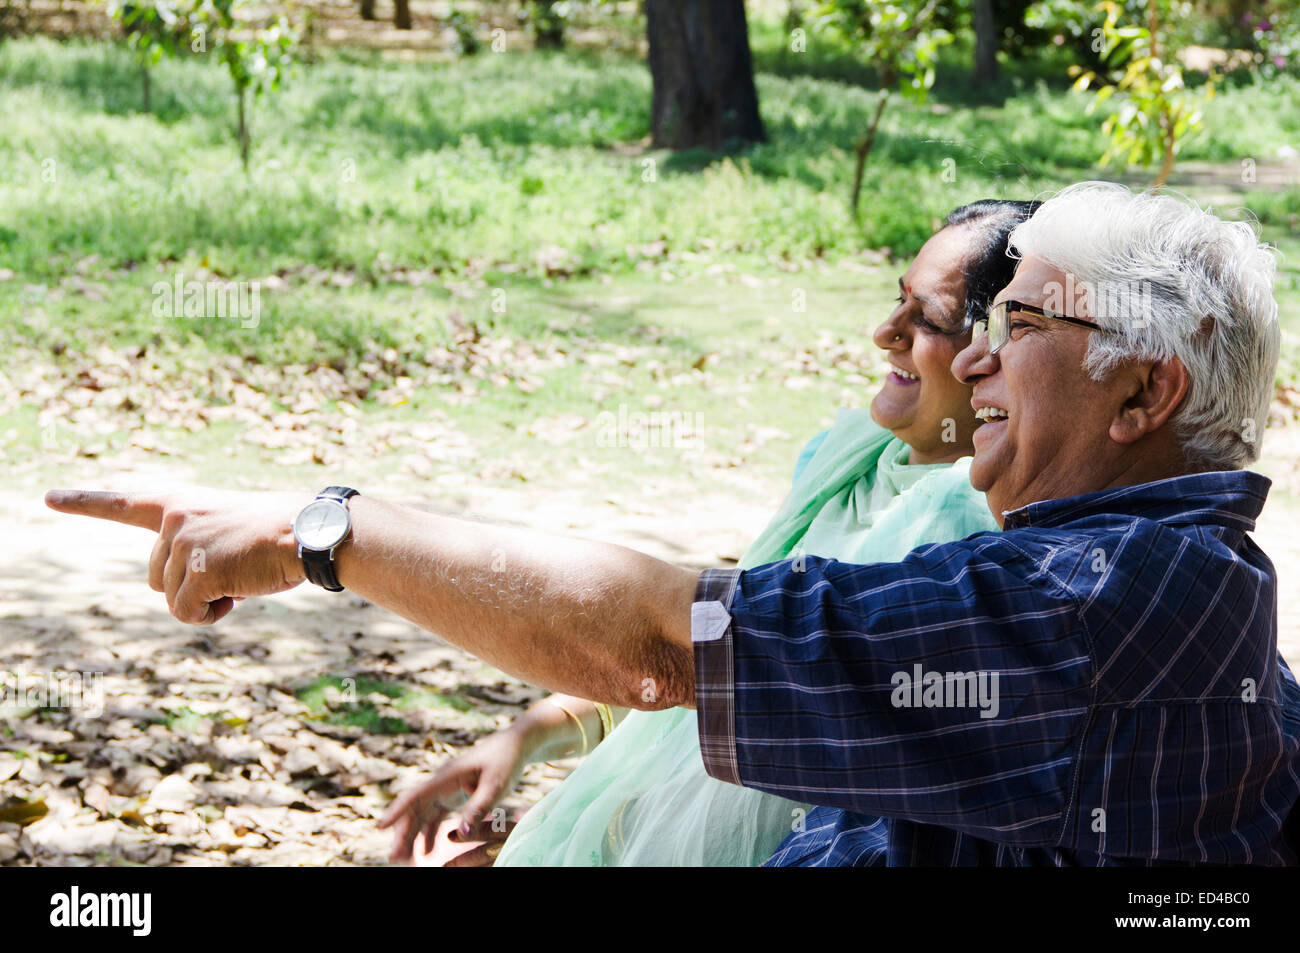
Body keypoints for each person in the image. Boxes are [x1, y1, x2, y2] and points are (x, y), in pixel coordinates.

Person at [46, 182, 1300, 865]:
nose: (971, 363)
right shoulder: (1150, 578)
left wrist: (323, 531)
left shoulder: (1089, 594)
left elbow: (665, 635)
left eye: (1018, 327)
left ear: (1144, 390)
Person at [379, 200, 1039, 867]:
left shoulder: (971, 534)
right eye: (897, 300)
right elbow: (711, 649)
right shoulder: (844, 459)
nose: (885, 331)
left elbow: (832, 781)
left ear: (997, 353)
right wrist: (526, 741)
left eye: (927, 319)